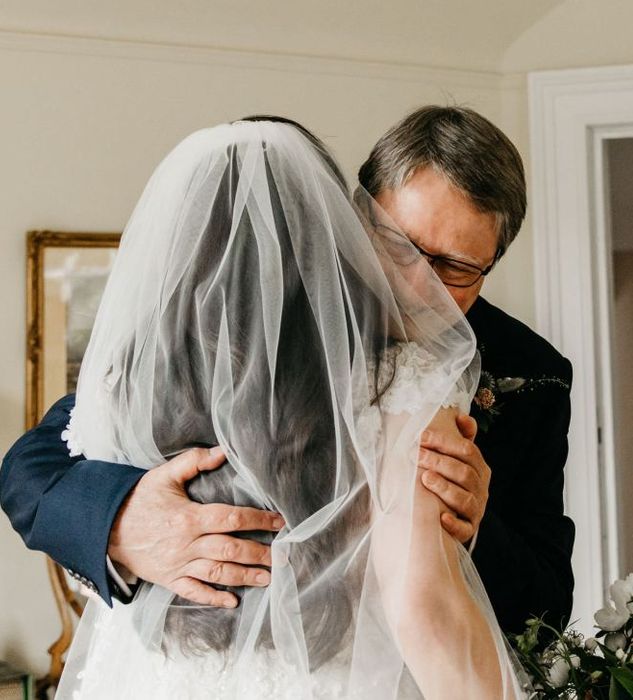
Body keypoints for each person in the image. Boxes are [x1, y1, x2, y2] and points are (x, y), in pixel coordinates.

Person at [1, 106, 574, 638]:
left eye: (455, 267)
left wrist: (473, 534)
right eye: (399, 245)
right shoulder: (262, 315)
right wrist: (122, 523)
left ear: (492, 263)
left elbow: (549, 599)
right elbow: (31, 469)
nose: (417, 284)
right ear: (354, 214)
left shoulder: (533, 371)